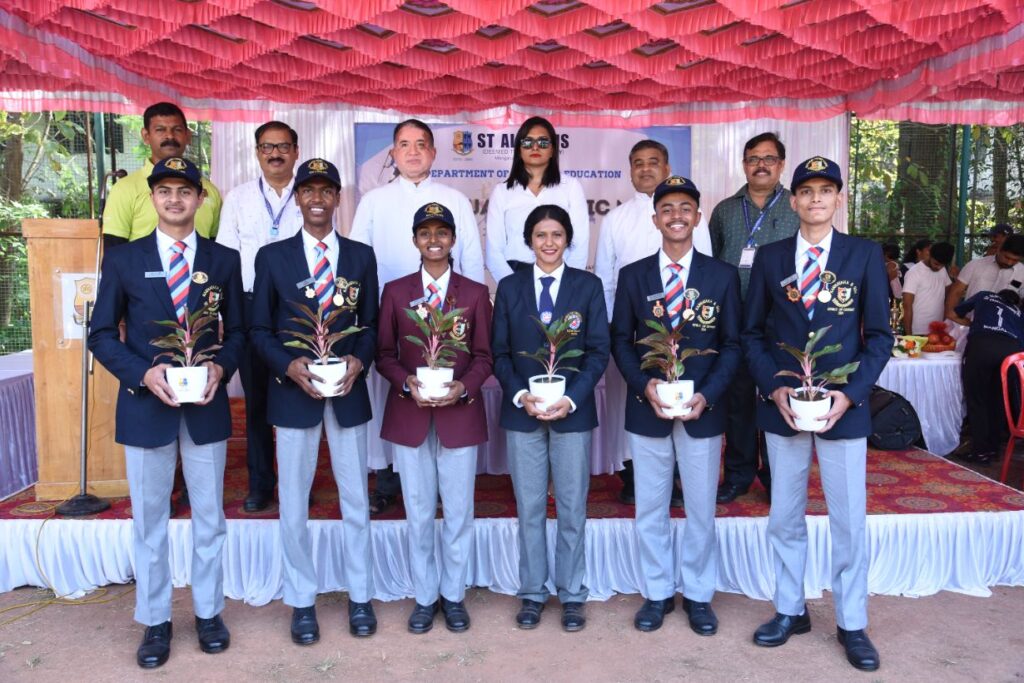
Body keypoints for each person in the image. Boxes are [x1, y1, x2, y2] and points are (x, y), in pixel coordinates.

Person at [88, 157, 244, 669]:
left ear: (201, 199)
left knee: (209, 517)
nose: (175, 199)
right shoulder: (124, 260)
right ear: (152, 198)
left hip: (205, 404)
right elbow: (102, 334)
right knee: (150, 520)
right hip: (145, 406)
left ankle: (208, 613)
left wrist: (221, 370)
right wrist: (141, 374)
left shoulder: (224, 259)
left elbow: (239, 332)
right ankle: (155, 620)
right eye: (165, 190)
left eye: (185, 190)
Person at [743, 156, 892, 672]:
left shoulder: (863, 255)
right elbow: (752, 335)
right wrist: (773, 389)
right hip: (785, 408)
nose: (815, 200)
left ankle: (852, 622)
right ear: (793, 199)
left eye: (825, 191)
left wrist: (850, 395)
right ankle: (789, 609)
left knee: (848, 520)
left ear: (838, 199)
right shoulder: (770, 257)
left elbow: (880, 336)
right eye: (806, 191)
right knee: (784, 516)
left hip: (842, 411)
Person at [249, 158, 379, 645]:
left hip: (346, 393)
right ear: (297, 198)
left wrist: (357, 363)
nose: (318, 199)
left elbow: (369, 325)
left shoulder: (361, 257)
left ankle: (360, 596)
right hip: (294, 394)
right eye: (309, 191)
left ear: (338, 198)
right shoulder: (272, 257)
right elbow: (259, 329)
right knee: (294, 501)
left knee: (356, 500)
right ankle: (302, 601)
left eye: (326, 190)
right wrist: (289, 367)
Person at [611, 175, 741, 634]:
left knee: (701, 506)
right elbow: (620, 341)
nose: (677, 216)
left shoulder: (721, 276)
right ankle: (657, 592)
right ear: (655, 219)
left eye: (685, 207)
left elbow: (733, 345)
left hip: (702, 410)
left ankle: (700, 595)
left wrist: (707, 395)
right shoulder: (633, 276)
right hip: (648, 408)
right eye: (667, 209)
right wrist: (643, 383)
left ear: (698, 217)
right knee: (650, 506)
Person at [350, 119, 486, 516]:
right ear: (393, 153)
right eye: (404, 145)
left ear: (433, 152)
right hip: (390, 309)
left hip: (450, 314)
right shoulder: (374, 200)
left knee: (447, 392)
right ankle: (389, 473)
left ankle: (444, 478)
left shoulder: (454, 198)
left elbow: (473, 260)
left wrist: (470, 315)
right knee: (392, 394)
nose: (412, 152)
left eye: (421, 144)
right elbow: (361, 260)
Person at [376, 202, 493, 634]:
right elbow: (384, 355)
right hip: (411, 415)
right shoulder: (396, 291)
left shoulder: (475, 293)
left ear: (453, 240)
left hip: (458, 415)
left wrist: (464, 387)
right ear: (414, 240)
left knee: (459, 512)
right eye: (425, 233)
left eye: (441, 232)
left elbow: (484, 356)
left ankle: (455, 596)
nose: (434, 240)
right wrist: (407, 383)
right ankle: (425, 597)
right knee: (419, 511)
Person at [491, 204, 609, 632]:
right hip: (523, 413)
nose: (548, 243)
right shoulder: (509, 287)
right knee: (530, 508)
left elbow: (599, 351)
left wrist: (572, 398)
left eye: (557, 235)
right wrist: (522, 394)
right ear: (529, 241)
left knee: (573, 506)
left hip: (571, 414)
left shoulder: (587, 286)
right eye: (540, 235)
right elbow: (499, 353)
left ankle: (572, 593)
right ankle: (532, 592)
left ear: (568, 240)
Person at [708, 132, 801, 504]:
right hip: (734, 321)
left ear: (781, 164)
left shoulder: (796, 206)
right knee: (739, 401)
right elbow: (713, 263)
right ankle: (739, 474)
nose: (760, 164)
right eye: (753, 158)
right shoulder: (725, 210)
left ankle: (778, 477)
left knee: (780, 398)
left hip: (782, 321)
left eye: (768, 158)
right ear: (743, 164)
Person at [216, 120, 303, 512]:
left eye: (283, 146)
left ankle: (296, 486)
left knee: (297, 398)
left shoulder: (310, 196)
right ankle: (261, 484)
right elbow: (227, 260)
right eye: (267, 147)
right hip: (252, 306)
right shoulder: (238, 198)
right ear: (257, 153)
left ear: (296, 151)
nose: (275, 153)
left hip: (299, 310)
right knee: (257, 402)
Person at [593, 139, 681, 506]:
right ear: (630, 170)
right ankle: (631, 475)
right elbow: (604, 280)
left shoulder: (690, 215)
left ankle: (676, 478)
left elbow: (704, 272)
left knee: (677, 400)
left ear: (667, 168)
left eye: (654, 162)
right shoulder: (615, 219)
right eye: (638, 163)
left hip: (680, 330)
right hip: (629, 333)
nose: (646, 169)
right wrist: (615, 334)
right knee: (627, 403)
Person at [103, 102, 222, 247]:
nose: (170, 136)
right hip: (142, 269)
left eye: (177, 130)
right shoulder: (125, 189)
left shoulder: (209, 190)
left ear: (188, 135)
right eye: (160, 130)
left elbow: (216, 248)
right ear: (146, 136)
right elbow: (113, 255)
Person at [485, 117, 589, 282]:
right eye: (527, 142)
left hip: (562, 276)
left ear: (553, 150)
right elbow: (494, 252)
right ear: (519, 149)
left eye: (542, 142)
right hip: (515, 276)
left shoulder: (570, 187)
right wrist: (513, 289)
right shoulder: (502, 192)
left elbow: (579, 245)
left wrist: (567, 285)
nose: (535, 147)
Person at [954, 288, 1024, 464]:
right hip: (1011, 350)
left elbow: (958, 310)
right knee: (998, 400)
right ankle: (993, 449)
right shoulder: (1018, 312)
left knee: (977, 399)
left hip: (983, 344)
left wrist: (976, 322)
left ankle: (980, 452)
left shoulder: (984, 294)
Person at [945, 234, 1024, 324]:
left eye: (1015, 260)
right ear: (999, 249)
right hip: (967, 323)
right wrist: (950, 317)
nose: (1009, 262)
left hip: (1001, 329)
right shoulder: (975, 265)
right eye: (1007, 257)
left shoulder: (1022, 273)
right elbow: (956, 292)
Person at [902, 241, 954, 335]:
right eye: (936, 263)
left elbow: (949, 292)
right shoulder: (914, 273)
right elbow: (907, 305)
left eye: (942, 265)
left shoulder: (942, 269)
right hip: (918, 331)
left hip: (938, 329)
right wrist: (909, 335)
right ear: (930, 254)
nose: (939, 268)